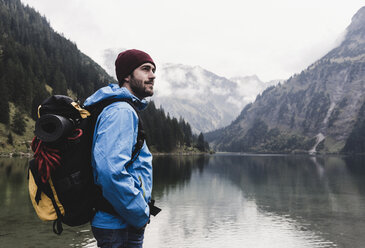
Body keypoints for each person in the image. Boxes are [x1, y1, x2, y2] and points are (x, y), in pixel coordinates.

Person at [83, 49, 156, 248]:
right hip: (119, 224)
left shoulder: (120, 107)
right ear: (126, 75)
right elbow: (110, 172)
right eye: (145, 69)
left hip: (118, 221)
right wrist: (140, 213)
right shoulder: (121, 111)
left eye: (153, 70)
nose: (152, 75)